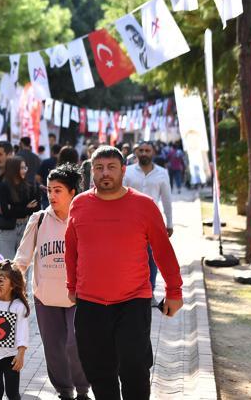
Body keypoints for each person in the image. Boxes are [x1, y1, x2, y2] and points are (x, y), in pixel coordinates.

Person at [65, 146, 184, 400]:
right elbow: (72, 250)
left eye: (111, 167)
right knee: (98, 370)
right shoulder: (79, 204)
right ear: (92, 171)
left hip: (133, 301)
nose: (105, 173)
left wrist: (174, 291)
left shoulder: (144, 205)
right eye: (99, 168)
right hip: (90, 303)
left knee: (134, 368)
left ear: (123, 170)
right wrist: (71, 286)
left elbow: (163, 250)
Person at [15, 164, 90, 400]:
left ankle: (82, 389)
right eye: (49, 190)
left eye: (58, 190)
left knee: (74, 343)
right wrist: (10, 281)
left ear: (72, 192)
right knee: (54, 348)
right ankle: (64, 390)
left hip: (77, 296)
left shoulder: (84, 219)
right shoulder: (38, 220)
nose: (51, 195)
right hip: (45, 296)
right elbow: (22, 258)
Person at [123, 141, 174, 306]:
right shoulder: (128, 172)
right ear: (136, 152)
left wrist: (170, 223)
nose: (144, 153)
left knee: (153, 258)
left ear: (153, 152)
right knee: (130, 258)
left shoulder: (162, 173)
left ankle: (149, 293)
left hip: (153, 223)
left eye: (147, 150)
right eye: (141, 150)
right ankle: (129, 292)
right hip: (130, 223)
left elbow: (167, 199)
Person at [0, 260, 30, 400]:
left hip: (11, 357)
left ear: (12, 285)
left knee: (12, 394)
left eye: (1, 281)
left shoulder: (18, 306)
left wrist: (20, 354)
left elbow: (23, 332)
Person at [0, 157, 41, 260]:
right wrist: (26, 208)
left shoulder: (29, 186)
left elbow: (36, 208)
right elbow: (6, 211)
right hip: (8, 228)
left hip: (25, 226)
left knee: (22, 261)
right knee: (8, 261)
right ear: (14, 169)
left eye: (25, 168)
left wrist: (15, 208)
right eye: (21, 168)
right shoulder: (4, 186)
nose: (24, 171)